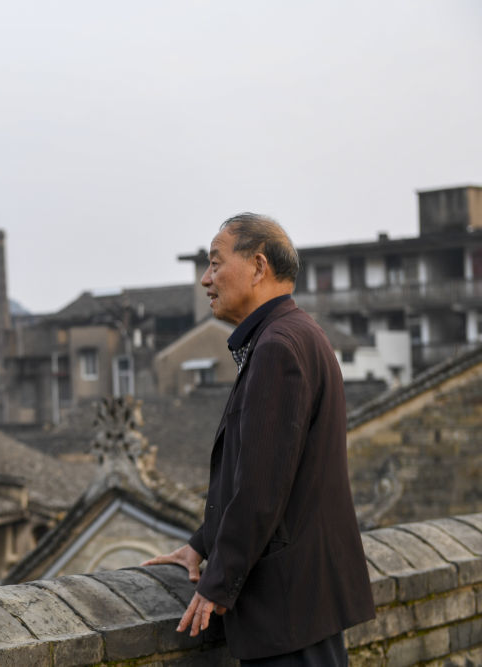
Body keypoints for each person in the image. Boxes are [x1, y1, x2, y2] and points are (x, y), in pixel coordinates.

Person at [144, 213, 375, 665]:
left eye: (214, 263)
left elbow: (263, 487)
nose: (206, 280)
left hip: (286, 609)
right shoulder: (299, 333)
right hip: (304, 603)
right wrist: (201, 543)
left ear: (257, 266)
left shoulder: (277, 347)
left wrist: (217, 584)